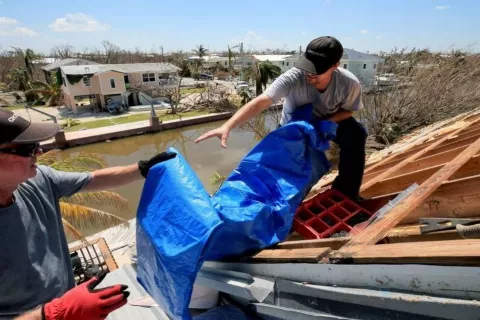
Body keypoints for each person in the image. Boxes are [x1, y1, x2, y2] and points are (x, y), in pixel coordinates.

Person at [0, 110, 176, 319]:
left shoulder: (39, 180)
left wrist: (142, 169)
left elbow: (93, 179)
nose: (39, 152)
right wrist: (53, 314)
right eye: (28, 148)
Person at [195, 36, 367, 201]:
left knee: (357, 133)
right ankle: (287, 208)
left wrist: (326, 122)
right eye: (308, 67)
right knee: (293, 169)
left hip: (327, 121)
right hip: (294, 125)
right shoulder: (294, 76)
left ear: (335, 66)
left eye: (317, 71)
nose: (309, 75)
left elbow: (348, 111)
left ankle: (346, 193)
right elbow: (263, 100)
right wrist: (228, 126)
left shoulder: (349, 84)